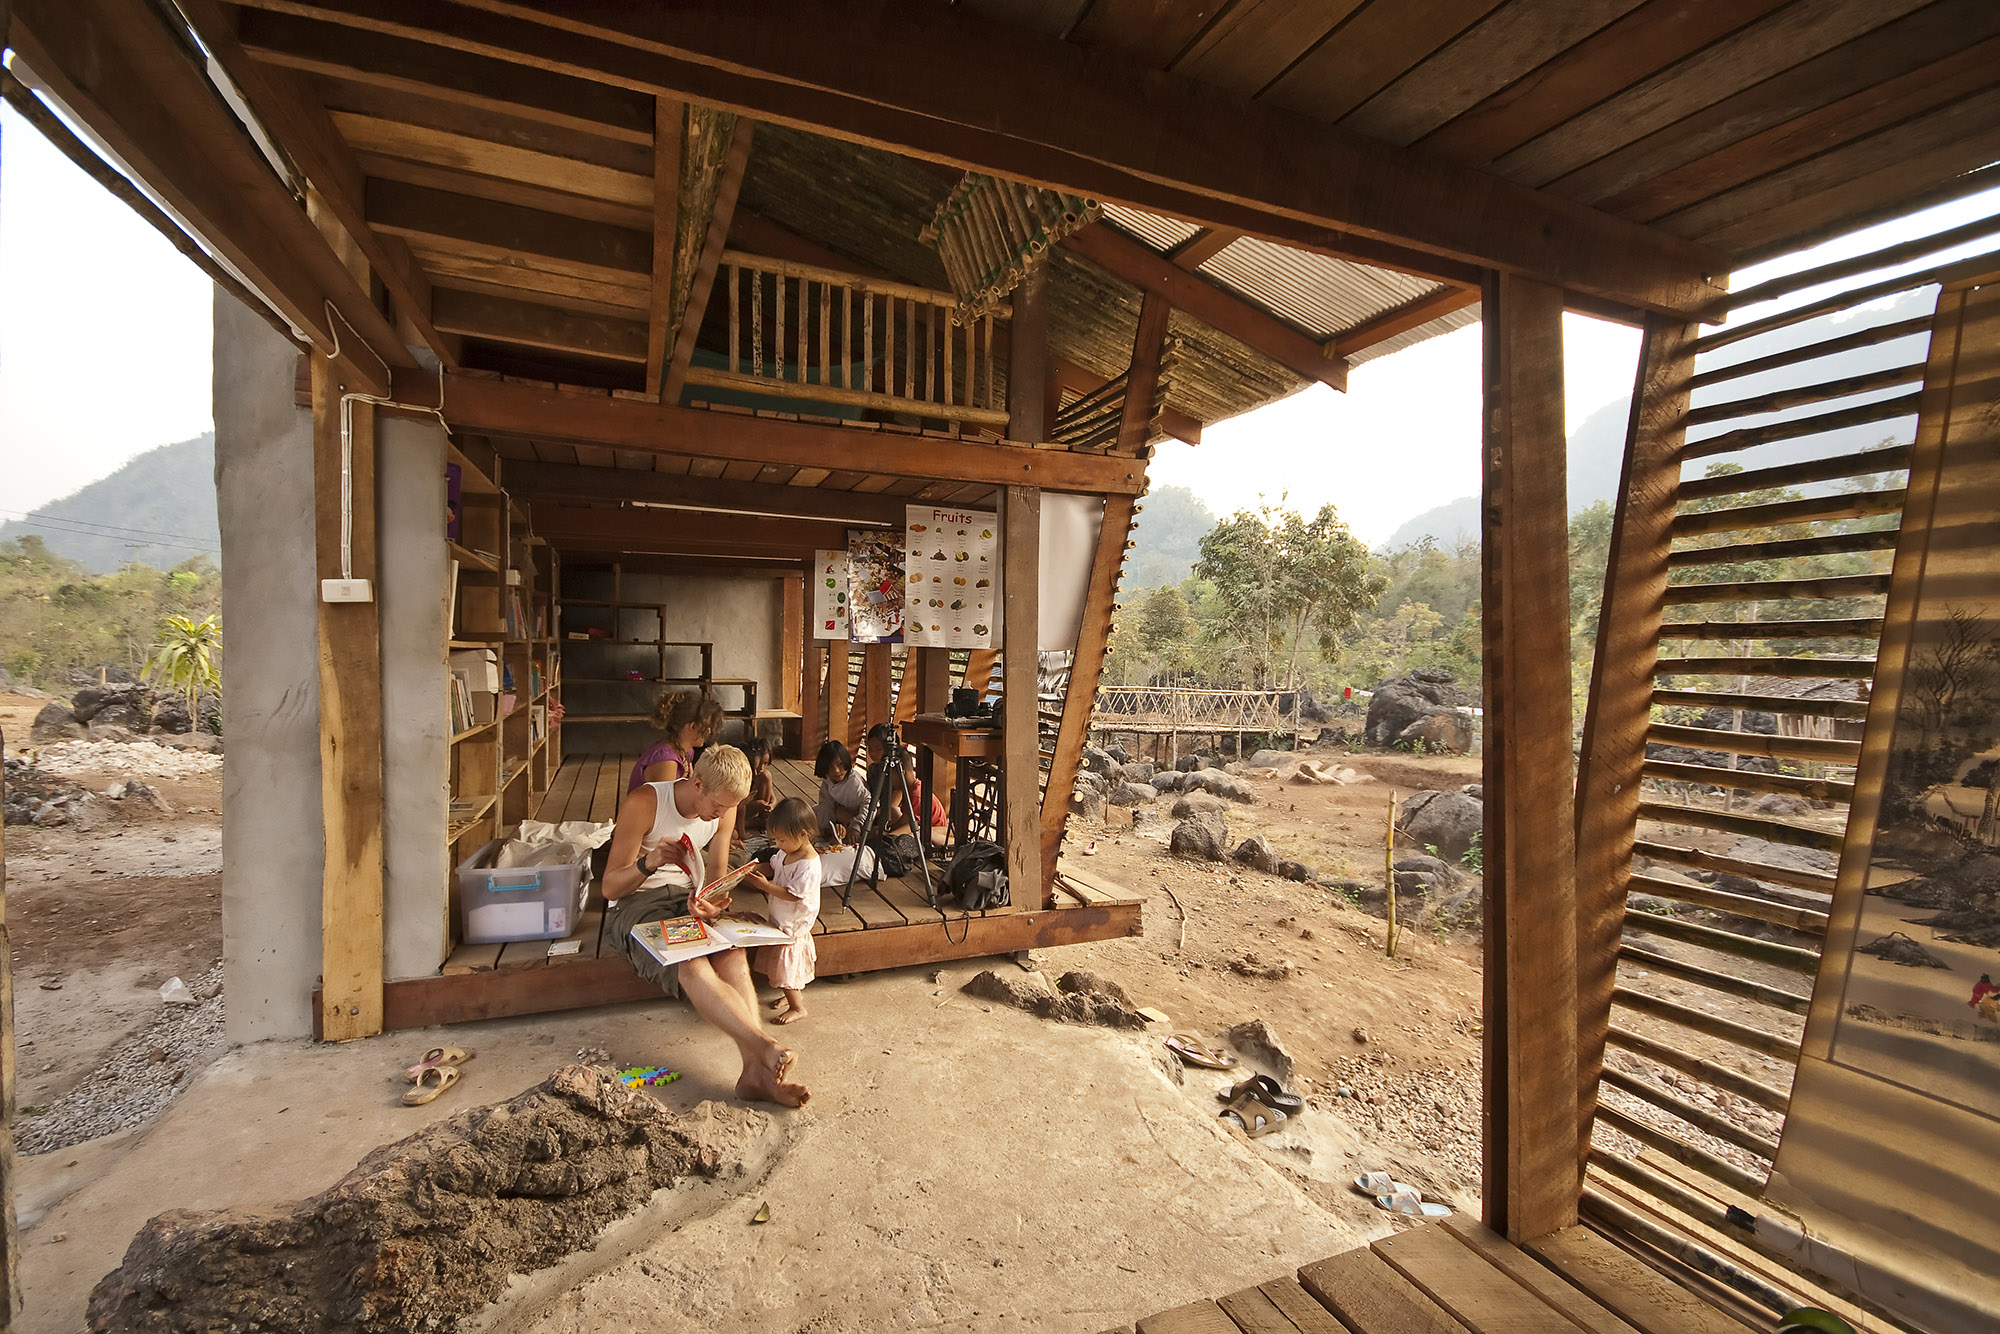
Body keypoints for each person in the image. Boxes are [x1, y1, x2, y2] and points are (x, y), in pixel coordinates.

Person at [602, 745, 807, 1107]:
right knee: (692, 959)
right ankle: (762, 1046)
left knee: (732, 953)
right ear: (697, 783)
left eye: (731, 807)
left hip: (687, 897)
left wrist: (712, 902)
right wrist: (649, 863)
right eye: (720, 806)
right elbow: (610, 888)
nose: (724, 815)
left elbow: (715, 875)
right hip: (638, 903)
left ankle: (754, 1073)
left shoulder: (724, 809)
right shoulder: (645, 803)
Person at [742, 797, 821, 1025]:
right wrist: (750, 870)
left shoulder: (808, 864)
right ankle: (790, 996)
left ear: (803, 835)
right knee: (785, 966)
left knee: (787, 967)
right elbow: (772, 866)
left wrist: (765, 886)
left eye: (782, 839)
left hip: (794, 923)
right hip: (781, 918)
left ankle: (798, 1007)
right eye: (776, 839)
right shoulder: (787, 852)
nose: (778, 844)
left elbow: (794, 894)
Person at [627, 691, 724, 794]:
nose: (709, 732)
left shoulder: (686, 751)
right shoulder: (666, 761)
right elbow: (665, 801)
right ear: (692, 726)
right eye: (706, 728)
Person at [863, 722, 946, 837]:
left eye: (890, 775)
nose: (873, 753)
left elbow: (907, 824)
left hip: (934, 834)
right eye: (870, 749)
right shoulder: (874, 770)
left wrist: (886, 834)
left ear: (902, 773)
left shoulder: (916, 794)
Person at [814, 739, 868, 840]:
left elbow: (868, 802)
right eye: (830, 767)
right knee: (813, 812)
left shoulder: (853, 781)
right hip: (841, 815)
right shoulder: (828, 782)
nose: (836, 771)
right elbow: (826, 804)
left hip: (860, 817)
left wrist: (856, 825)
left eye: (840, 764)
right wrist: (826, 827)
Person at [736, 737, 777, 839]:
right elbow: (740, 805)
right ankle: (747, 824)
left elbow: (773, 798)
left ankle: (762, 819)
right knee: (735, 834)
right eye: (759, 764)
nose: (761, 768)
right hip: (738, 811)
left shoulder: (762, 775)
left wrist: (770, 806)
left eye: (765, 763)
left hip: (754, 810)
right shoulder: (742, 775)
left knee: (766, 775)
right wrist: (754, 804)